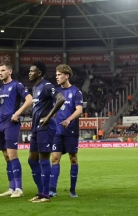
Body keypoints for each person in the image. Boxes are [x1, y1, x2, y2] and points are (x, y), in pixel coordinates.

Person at [0, 62, 32, 198]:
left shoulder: (17, 85)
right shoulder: (0, 88)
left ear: (10, 71)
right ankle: (11, 187)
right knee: (6, 157)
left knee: (12, 155)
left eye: (3, 70)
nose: (0, 73)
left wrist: (18, 113)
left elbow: (29, 100)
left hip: (11, 123)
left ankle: (19, 188)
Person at [28, 62, 65, 203]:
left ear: (39, 73)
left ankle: (45, 195)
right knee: (32, 160)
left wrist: (48, 117)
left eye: (32, 71)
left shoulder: (47, 86)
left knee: (44, 160)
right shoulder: (35, 87)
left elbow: (61, 99)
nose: (29, 73)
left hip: (46, 127)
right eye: (30, 71)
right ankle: (40, 192)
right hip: (36, 128)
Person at [49, 64, 83, 198]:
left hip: (71, 131)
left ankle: (72, 190)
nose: (56, 77)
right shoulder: (56, 92)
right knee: (55, 158)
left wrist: (69, 120)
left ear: (66, 76)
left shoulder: (76, 92)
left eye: (59, 74)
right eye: (56, 75)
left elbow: (79, 110)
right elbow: (53, 110)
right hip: (57, 131)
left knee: (73, 159)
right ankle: (52, 189)